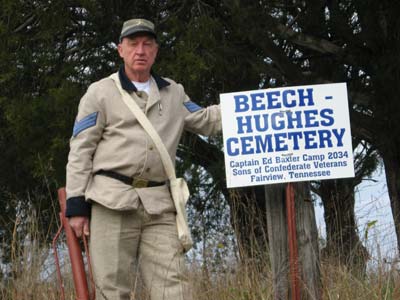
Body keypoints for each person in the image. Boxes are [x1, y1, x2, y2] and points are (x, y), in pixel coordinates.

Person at [65, 18, 221, 300]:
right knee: (112, 290)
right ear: (120, 50)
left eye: (147, 44)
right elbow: (80, 150)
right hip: (111, 201)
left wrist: (259, 112)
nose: (140, 50)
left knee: (174, 289)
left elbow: (207, 120)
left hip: (159, 205)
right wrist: (76, 205)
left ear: (155, 51)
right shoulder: (99, 93)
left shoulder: (174, 93)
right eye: (133, 44)